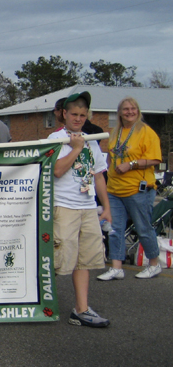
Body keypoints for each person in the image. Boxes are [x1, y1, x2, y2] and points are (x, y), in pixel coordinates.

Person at [50, 92, 111, 327]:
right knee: (58, 259)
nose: (78, 118)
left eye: (82, 115)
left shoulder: (92, 139)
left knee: (84, 260)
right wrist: (75, 148)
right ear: (64, 114)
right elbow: (56, 170)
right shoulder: (55, 138)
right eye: (74, 114)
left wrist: (105, 207)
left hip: (87, 206)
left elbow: (98, 175)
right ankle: (35, 300)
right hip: (64, 206)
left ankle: (81, 309)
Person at [98, 96, 163, 281]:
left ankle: (154, 263)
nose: (130, 112)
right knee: (114, 228)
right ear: (119, 112)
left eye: (133, 108)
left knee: (143, 228)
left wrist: (131, 164)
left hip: (137, 189)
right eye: (126, 109)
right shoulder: (115, 132)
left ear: (138, 111)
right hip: (114, 189)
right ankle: (116, 266)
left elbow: (156, 159)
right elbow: (111, 157)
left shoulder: (146, 131)